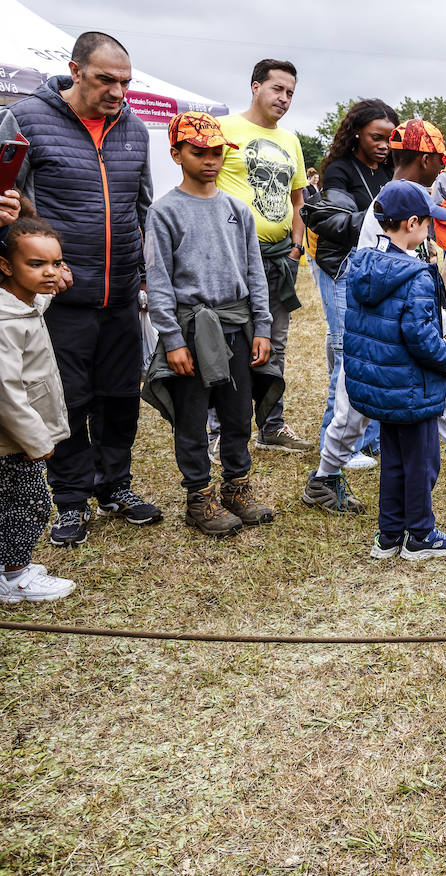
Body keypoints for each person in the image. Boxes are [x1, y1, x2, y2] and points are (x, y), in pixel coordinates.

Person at [306, 120, 446, 516]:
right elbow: (395, 288)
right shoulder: (391, 207)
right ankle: (324, 478)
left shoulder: (403, 198)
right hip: (386, 336)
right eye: (440, 161)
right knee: (353, 409)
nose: (444, 168)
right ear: (424, 159)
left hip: (409, 328)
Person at [11, 31, 164, 546]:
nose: (117, 91)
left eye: (125, 81)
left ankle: (116, 486)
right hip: (58, 297)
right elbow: (5, 201)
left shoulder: (136, 131)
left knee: (121, 397)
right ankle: (71, 500)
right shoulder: (26, 120)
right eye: (105, 79)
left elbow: (142, 208)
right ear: (75, 71)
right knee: (67, 400)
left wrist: (145, 276)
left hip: (120, 292)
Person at [142, 112, 275, 537]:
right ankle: (199, 496)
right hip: (192, 330)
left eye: (217, 152)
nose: (210, 160)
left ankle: (237, 487)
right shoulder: (164, 212)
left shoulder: (238, 210)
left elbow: (254, 272)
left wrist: (263, 326)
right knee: (192, 416)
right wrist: (173, 339)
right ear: (176, 152)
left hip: (236, 325)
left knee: (238, 414)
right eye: (199, 151)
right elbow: (159, 279)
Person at [342, 181, 446, 561]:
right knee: (423, 461)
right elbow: (421, 336)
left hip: (383, 385)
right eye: (429, 222)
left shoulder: (363, 264)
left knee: (394, 460)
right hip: (412, 386)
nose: (431, 228)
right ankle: (420, 535)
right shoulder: (414, 275)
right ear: (412, 223)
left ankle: (389, 534)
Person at [215, 59, 312, 454]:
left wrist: (295, 247)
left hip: (278, 258)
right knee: (226, 340)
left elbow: (298, 198)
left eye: (290, 92)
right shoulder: (224, 129)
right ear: (256, 87)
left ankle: (271, 425)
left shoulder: (290, 141)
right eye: (277, 89)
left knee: (276, 341)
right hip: (233, 255)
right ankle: (217, 426)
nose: (284, 99)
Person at [309, 98, 399, 464]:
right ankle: (335, 446)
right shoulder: (339, 171)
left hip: (375, 268)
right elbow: (339, 224)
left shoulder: (389, 168)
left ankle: (371, 437)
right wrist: (386, 209)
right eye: (377, 137)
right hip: (341, 266)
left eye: (390, 139)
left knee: (377, 350)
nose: (383, 145)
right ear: (357, 133)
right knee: (349, 355)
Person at [0, 217, 76, 602]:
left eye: (56, 263)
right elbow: (5, 392)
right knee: (30, 504)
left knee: (10, 502)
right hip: (14, 442)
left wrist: (48, 287)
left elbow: (38, 298)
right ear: (5, 266)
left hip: (18, 440)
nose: (50, 272)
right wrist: (36, 439)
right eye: (36, 264)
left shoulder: (24, 305)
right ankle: (15, 577)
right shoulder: (6, 322)